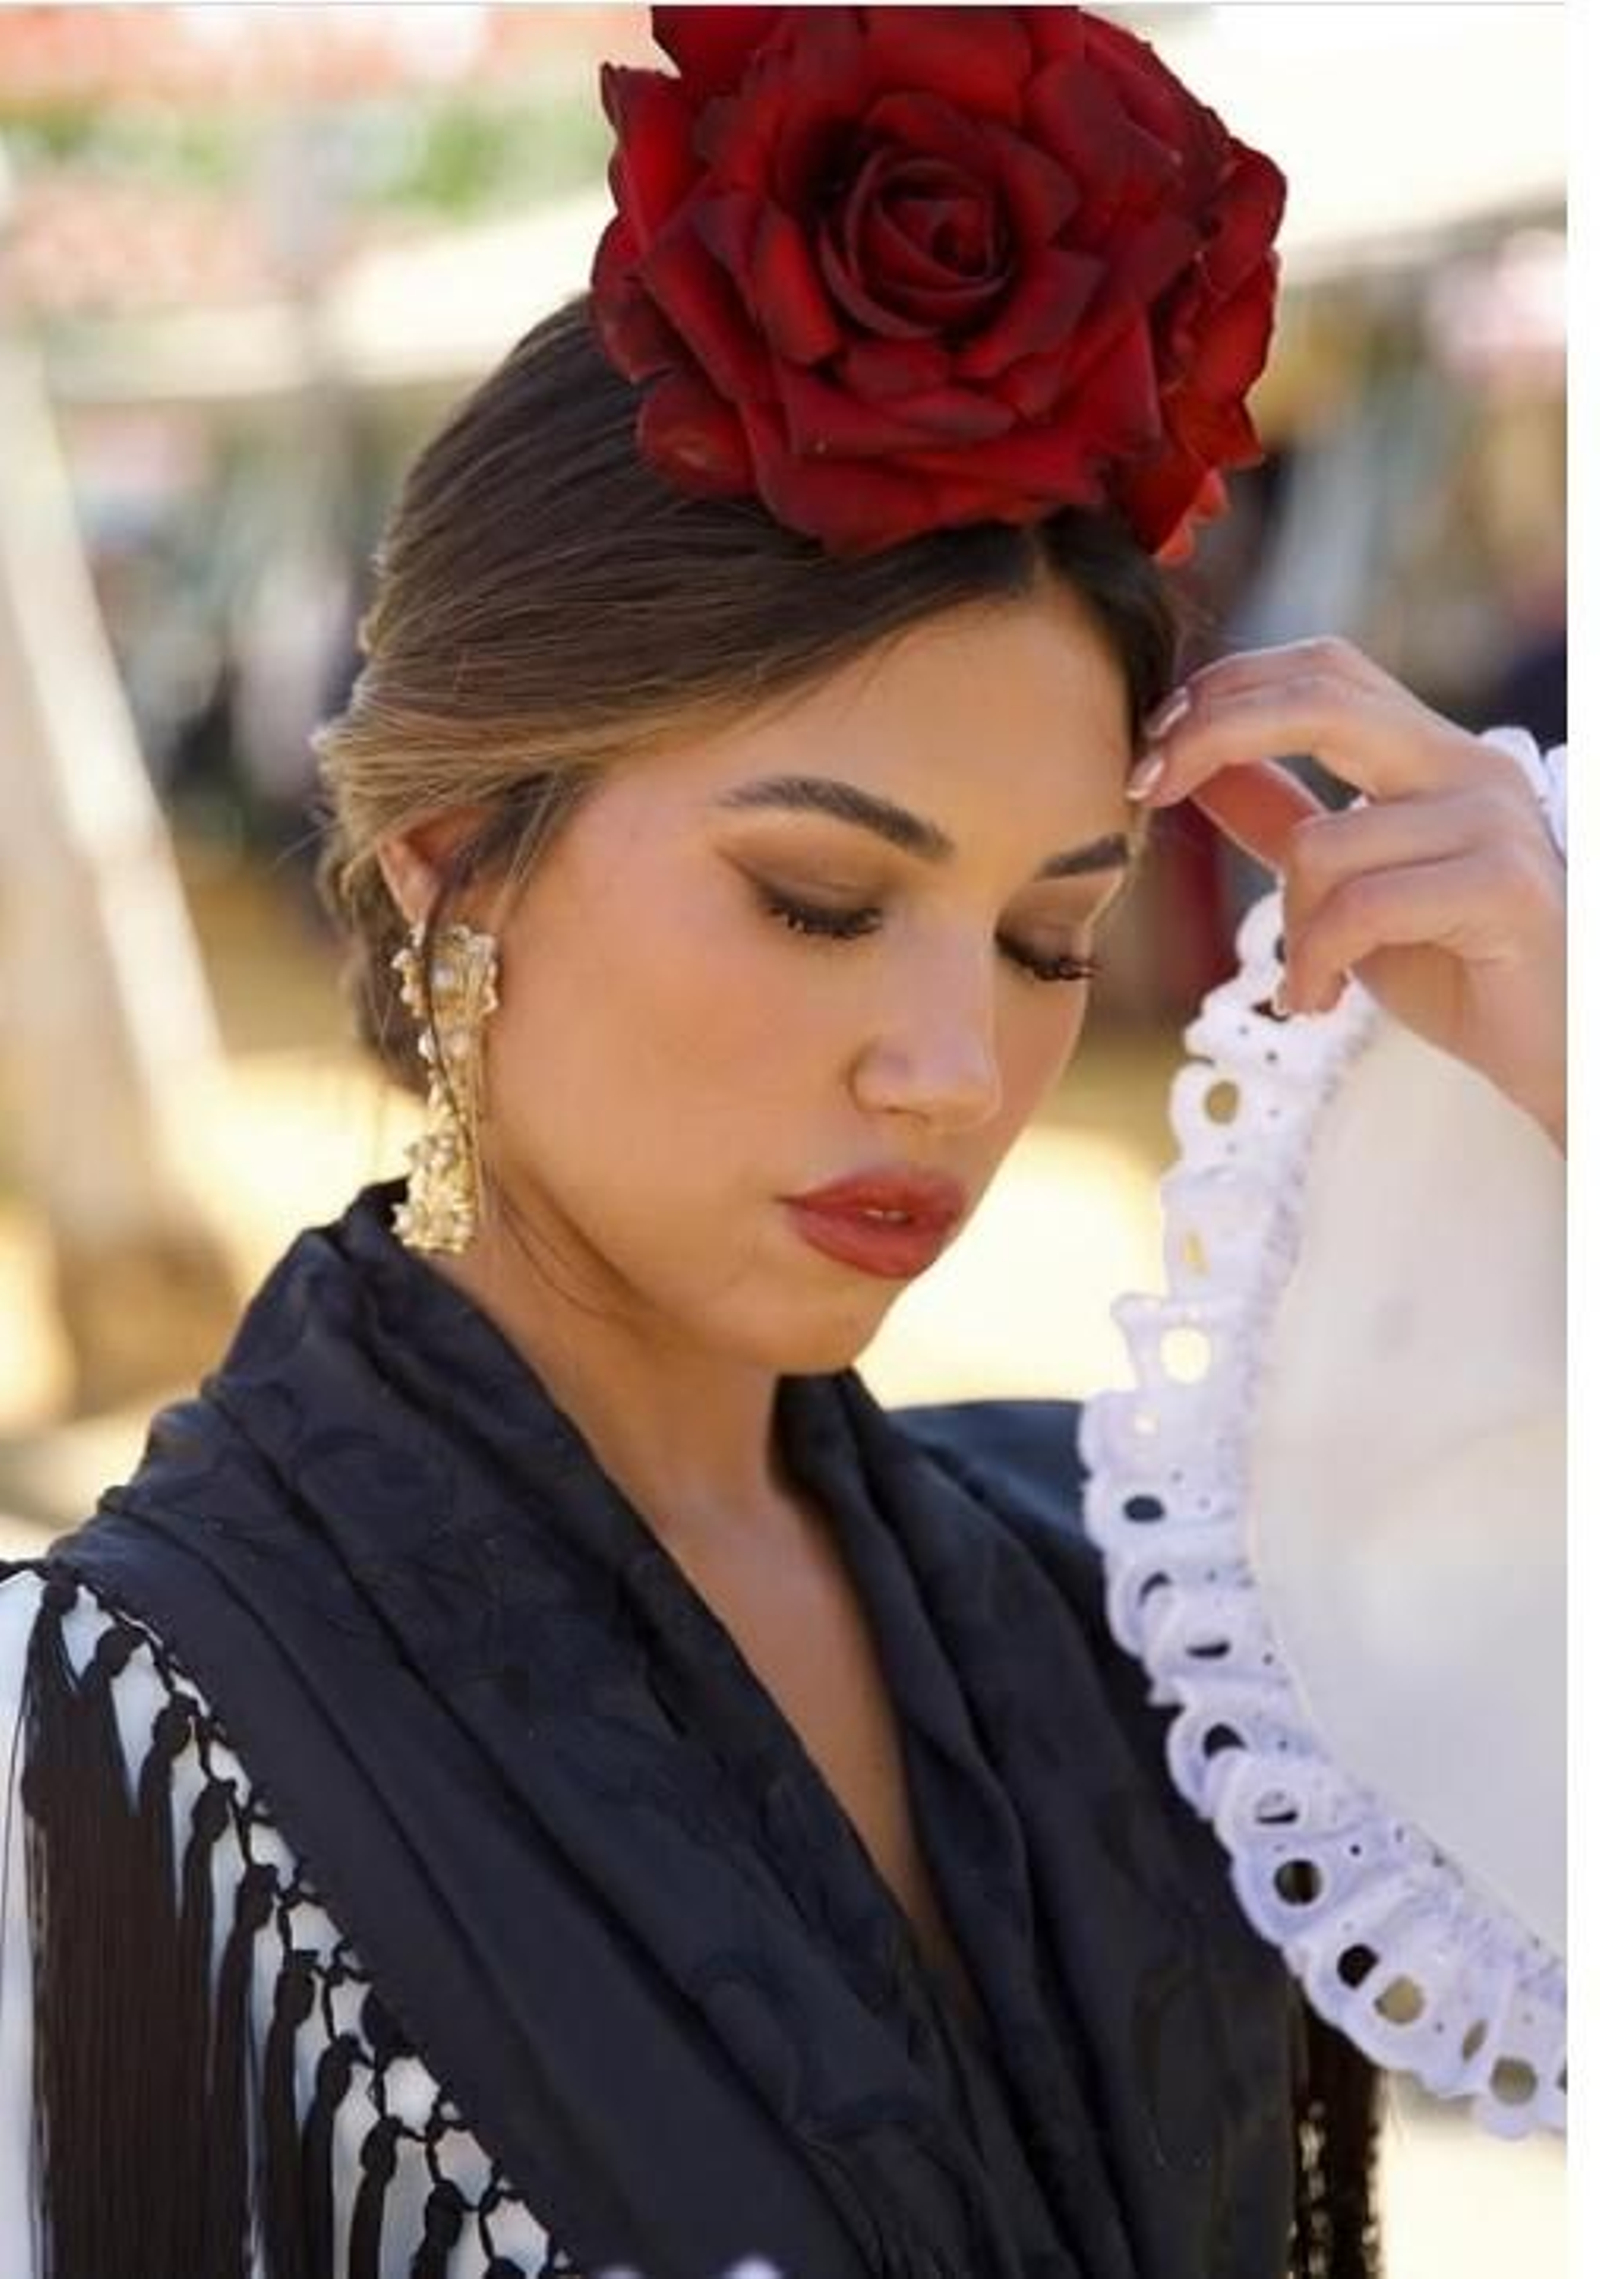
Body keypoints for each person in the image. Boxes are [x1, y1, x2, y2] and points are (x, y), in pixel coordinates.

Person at [0, 9, 1565, 2278]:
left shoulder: (1164, 1603)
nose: (950, 1070)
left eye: (1048, 941)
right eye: (819, 902)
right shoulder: (110, 1757)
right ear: (456, 863)